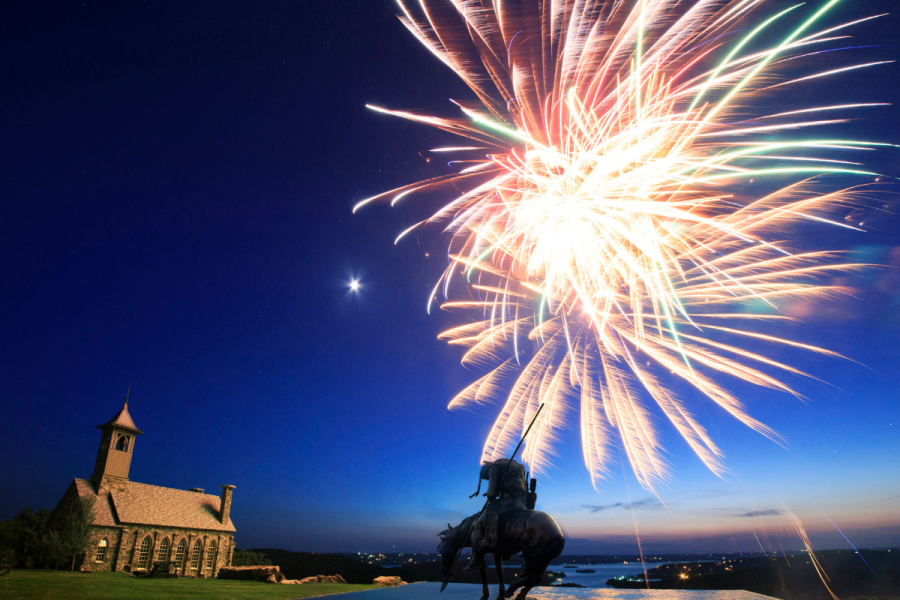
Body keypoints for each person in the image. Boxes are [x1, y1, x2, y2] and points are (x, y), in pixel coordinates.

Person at [463, 458, 528, 571]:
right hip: (522, 503)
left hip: (507, 503)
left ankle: (476, 559)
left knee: (477, 525)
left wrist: (491, 495)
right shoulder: (518, 467)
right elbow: (514, 486)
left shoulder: (493, 469)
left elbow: (491, 493)